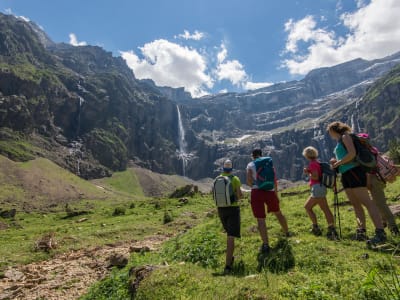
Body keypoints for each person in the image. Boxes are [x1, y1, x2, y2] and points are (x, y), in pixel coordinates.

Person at [327, 121, 386, 245]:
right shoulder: (340, 141)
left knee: (367, 202)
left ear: (334, 130)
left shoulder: (345, 136)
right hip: (346, 174)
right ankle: (361, 232)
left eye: (330, 132)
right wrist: (336, 161)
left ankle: (380, 232)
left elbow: (352, 154)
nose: (329, 134)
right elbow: (346, 155)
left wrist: (337, 163)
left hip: (354, 172)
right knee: (355, 204)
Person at [246, 148, 290, 255]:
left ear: (253, 155)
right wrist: (275, 194)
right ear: (261, 154)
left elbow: (249, 181)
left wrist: (254, 186)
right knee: (278, 213)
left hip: (257, 192)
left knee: (261, 219)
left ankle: (266, 245)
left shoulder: (250, 165)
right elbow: (274, 180)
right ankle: (287, 232)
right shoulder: (268, 162)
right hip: (270, 191)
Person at [302, 146, 338, 240]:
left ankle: (316, 227)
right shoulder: (317, 163)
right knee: (324, 208)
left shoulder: (312, 164)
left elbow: (315, 177)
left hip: (317, 188)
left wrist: (307, 172)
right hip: (321, 187)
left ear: (307, 155)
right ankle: (331, 227)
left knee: (308, 207)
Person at [215, 159, 243, 275]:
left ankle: (229, 258)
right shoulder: (235, 179)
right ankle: (227, 266)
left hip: (221, 210)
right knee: (231, 237)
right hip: (232, 209)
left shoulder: (217, 179)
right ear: (231, 168)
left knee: (228, 234)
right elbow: (239, 195)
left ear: (223, 168)